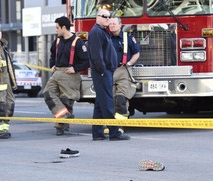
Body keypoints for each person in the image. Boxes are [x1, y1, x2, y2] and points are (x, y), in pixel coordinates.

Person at [88, 8, 130, 141]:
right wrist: (102, 71)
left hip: (105, 71)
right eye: (104, 16)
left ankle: (98, 133)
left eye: (108, 17)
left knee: (100, 103)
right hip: (102, 72)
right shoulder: (96, 32)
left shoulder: (101, 31)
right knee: (107, 102)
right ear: (97, 17)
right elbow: (96, 55)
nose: (107, 19)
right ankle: (114, 132)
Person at [43, 16, 89, 136]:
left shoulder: (78, 42)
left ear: (64, 27)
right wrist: (52, 64)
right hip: (57, 72)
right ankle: (64, 116)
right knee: (48, 93)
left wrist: (75, 68)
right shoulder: (57, 41)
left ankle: (61, 126)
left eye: (57, 27)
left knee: (66, 100)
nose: (56, 30)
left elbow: (87, 61)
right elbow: (52, 55)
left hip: (70, 75)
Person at [109, 17, 140, 119]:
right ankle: (112, 125)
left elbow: (136, 53)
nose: (112, 26)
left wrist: (129, 63)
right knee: (111, 100)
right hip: (109, 71)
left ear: (120, 25)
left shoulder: (128, 37)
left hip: (123, 70)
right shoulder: (106, 38)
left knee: (121, 100)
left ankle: (120, 126)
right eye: (110, 24)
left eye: (114, 23)